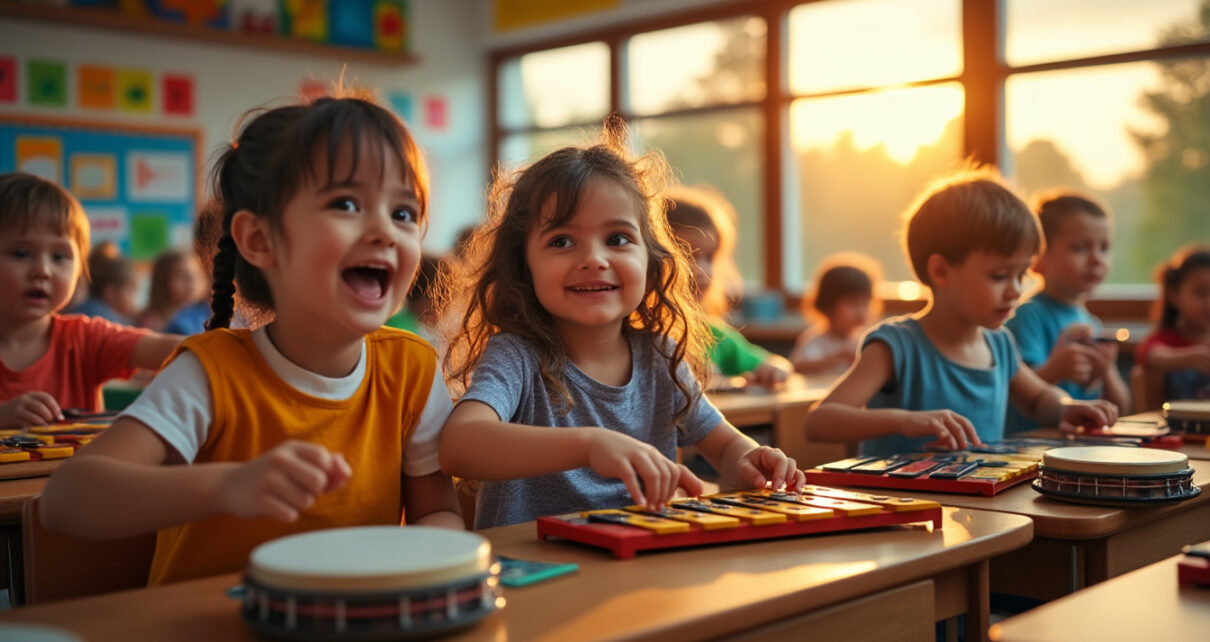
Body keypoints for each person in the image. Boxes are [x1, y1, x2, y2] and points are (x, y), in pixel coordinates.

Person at [39, 94, 464, 586]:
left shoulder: (411, 367)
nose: (386, 231)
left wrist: (433, 564)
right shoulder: (211, 372)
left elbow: (438, 513)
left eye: (404, 213)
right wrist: (229, 485)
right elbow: (66, 500)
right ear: (259, 240)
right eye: (347, 204)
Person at [436, 120, 804, 529]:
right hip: (541, 577)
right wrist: (591, 445)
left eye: (617, 238)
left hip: (641, 568)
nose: (594, 258)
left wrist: (751, 458)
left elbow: (724, 445)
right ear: (524, 267)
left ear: (651, 261)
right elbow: (459, 445)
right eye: (561, 241)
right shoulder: (517, 357)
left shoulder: (660, 356)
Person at [802, 167, 1118, 456]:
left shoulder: (1000, 344)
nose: (1015, 290)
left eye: (1021, 275)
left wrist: (1068, 407)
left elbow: (1039, 399)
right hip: (907, 512)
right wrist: (904, 421)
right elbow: (820, 421)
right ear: (941, 271)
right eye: (999, 276)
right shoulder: (896, 346)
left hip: (980, 507)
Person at [0, 173, 182, 427]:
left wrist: (238, 347)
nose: (43, 270)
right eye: (21, 253)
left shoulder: (85, 338)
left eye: (59, 256)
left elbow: (166, 347)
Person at [1005, 191, 1130, 431]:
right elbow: (1015, 395)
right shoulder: (1029, 316)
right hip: (1032, 445)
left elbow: (1122, 410)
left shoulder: (1091, 323)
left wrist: (1108, 371)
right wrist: (1054, 370)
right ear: (1037, 259)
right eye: (1080, 248)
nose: (1096, 259)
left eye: (1104, 248)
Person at [664, 184, 793, 388]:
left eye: (710, 257)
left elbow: (775, 363)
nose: (703, 269)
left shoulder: (713, 334)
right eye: (688, 254)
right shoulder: (636, 339)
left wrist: (773, 371)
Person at [1136, 245, 1210, 400]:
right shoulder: (1167, 339)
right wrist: (1189, 358)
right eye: (1200, 292)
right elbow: (1148, 353)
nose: (1208, 303)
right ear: (1174, 295)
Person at [790, 253, 882, 375]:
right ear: (829, 305)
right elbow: (797, 366)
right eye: (853, 303)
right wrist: (837, 358)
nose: (861, 311)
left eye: (866, 303)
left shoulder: (866, 341)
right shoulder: (816, 340)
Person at [68, 241, 140, 325]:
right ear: (111, 292)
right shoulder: (109, 322)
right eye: (131, 291)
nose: (135, 300)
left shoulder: (79, 310)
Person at [134, 249, 207, 332]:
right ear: (162, 281)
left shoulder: (203, 315)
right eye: (182, 277)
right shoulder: (150, 323)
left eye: (197, 276)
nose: (192, 284)